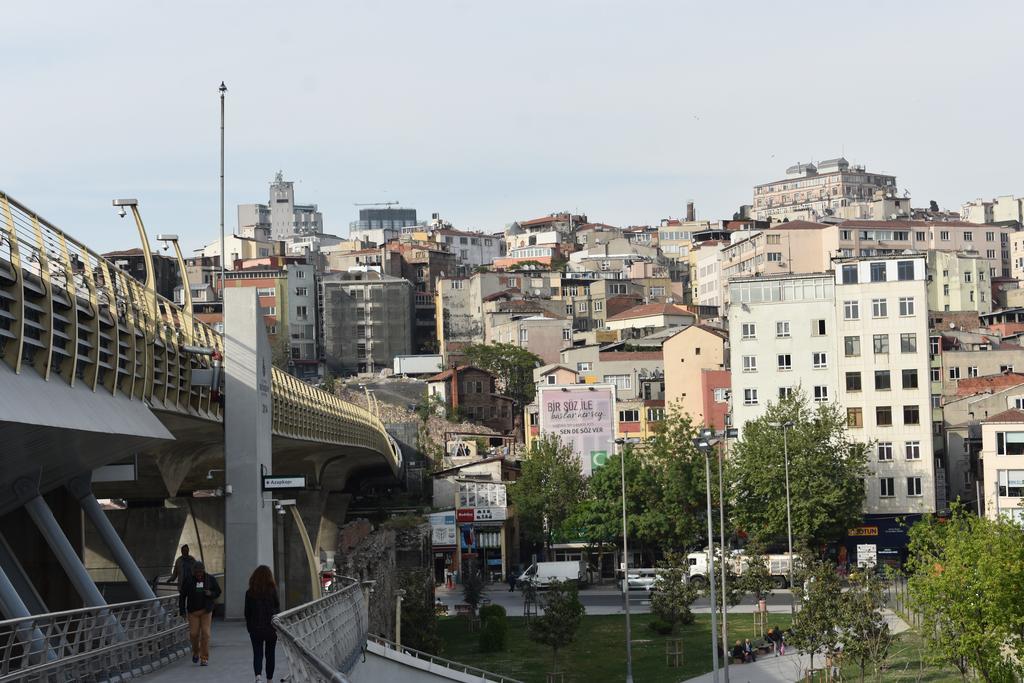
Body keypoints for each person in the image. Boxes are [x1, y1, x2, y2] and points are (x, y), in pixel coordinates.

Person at [179, 561, 221, 666]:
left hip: (206, 610)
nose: (198, 575)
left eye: (200, 572)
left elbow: (218, 591)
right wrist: (182, 611)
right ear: (193, 572)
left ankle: (204, 658)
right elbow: (182, 596)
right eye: (196, 572)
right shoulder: (188, 580)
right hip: (193, 611)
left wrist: (210, 593)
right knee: (193, 634)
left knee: (206, 634)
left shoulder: (210, 579)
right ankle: (196, 652)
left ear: (203, 571)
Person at [245, 565, 280, 683]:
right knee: (270, 654)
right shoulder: (273, 591)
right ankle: (269, 679)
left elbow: (247, 613)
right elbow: (277, 608)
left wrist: (249, 628)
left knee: (257, 653)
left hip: (255, 628)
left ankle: (258, 677)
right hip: (271, 628)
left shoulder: (249, 593)